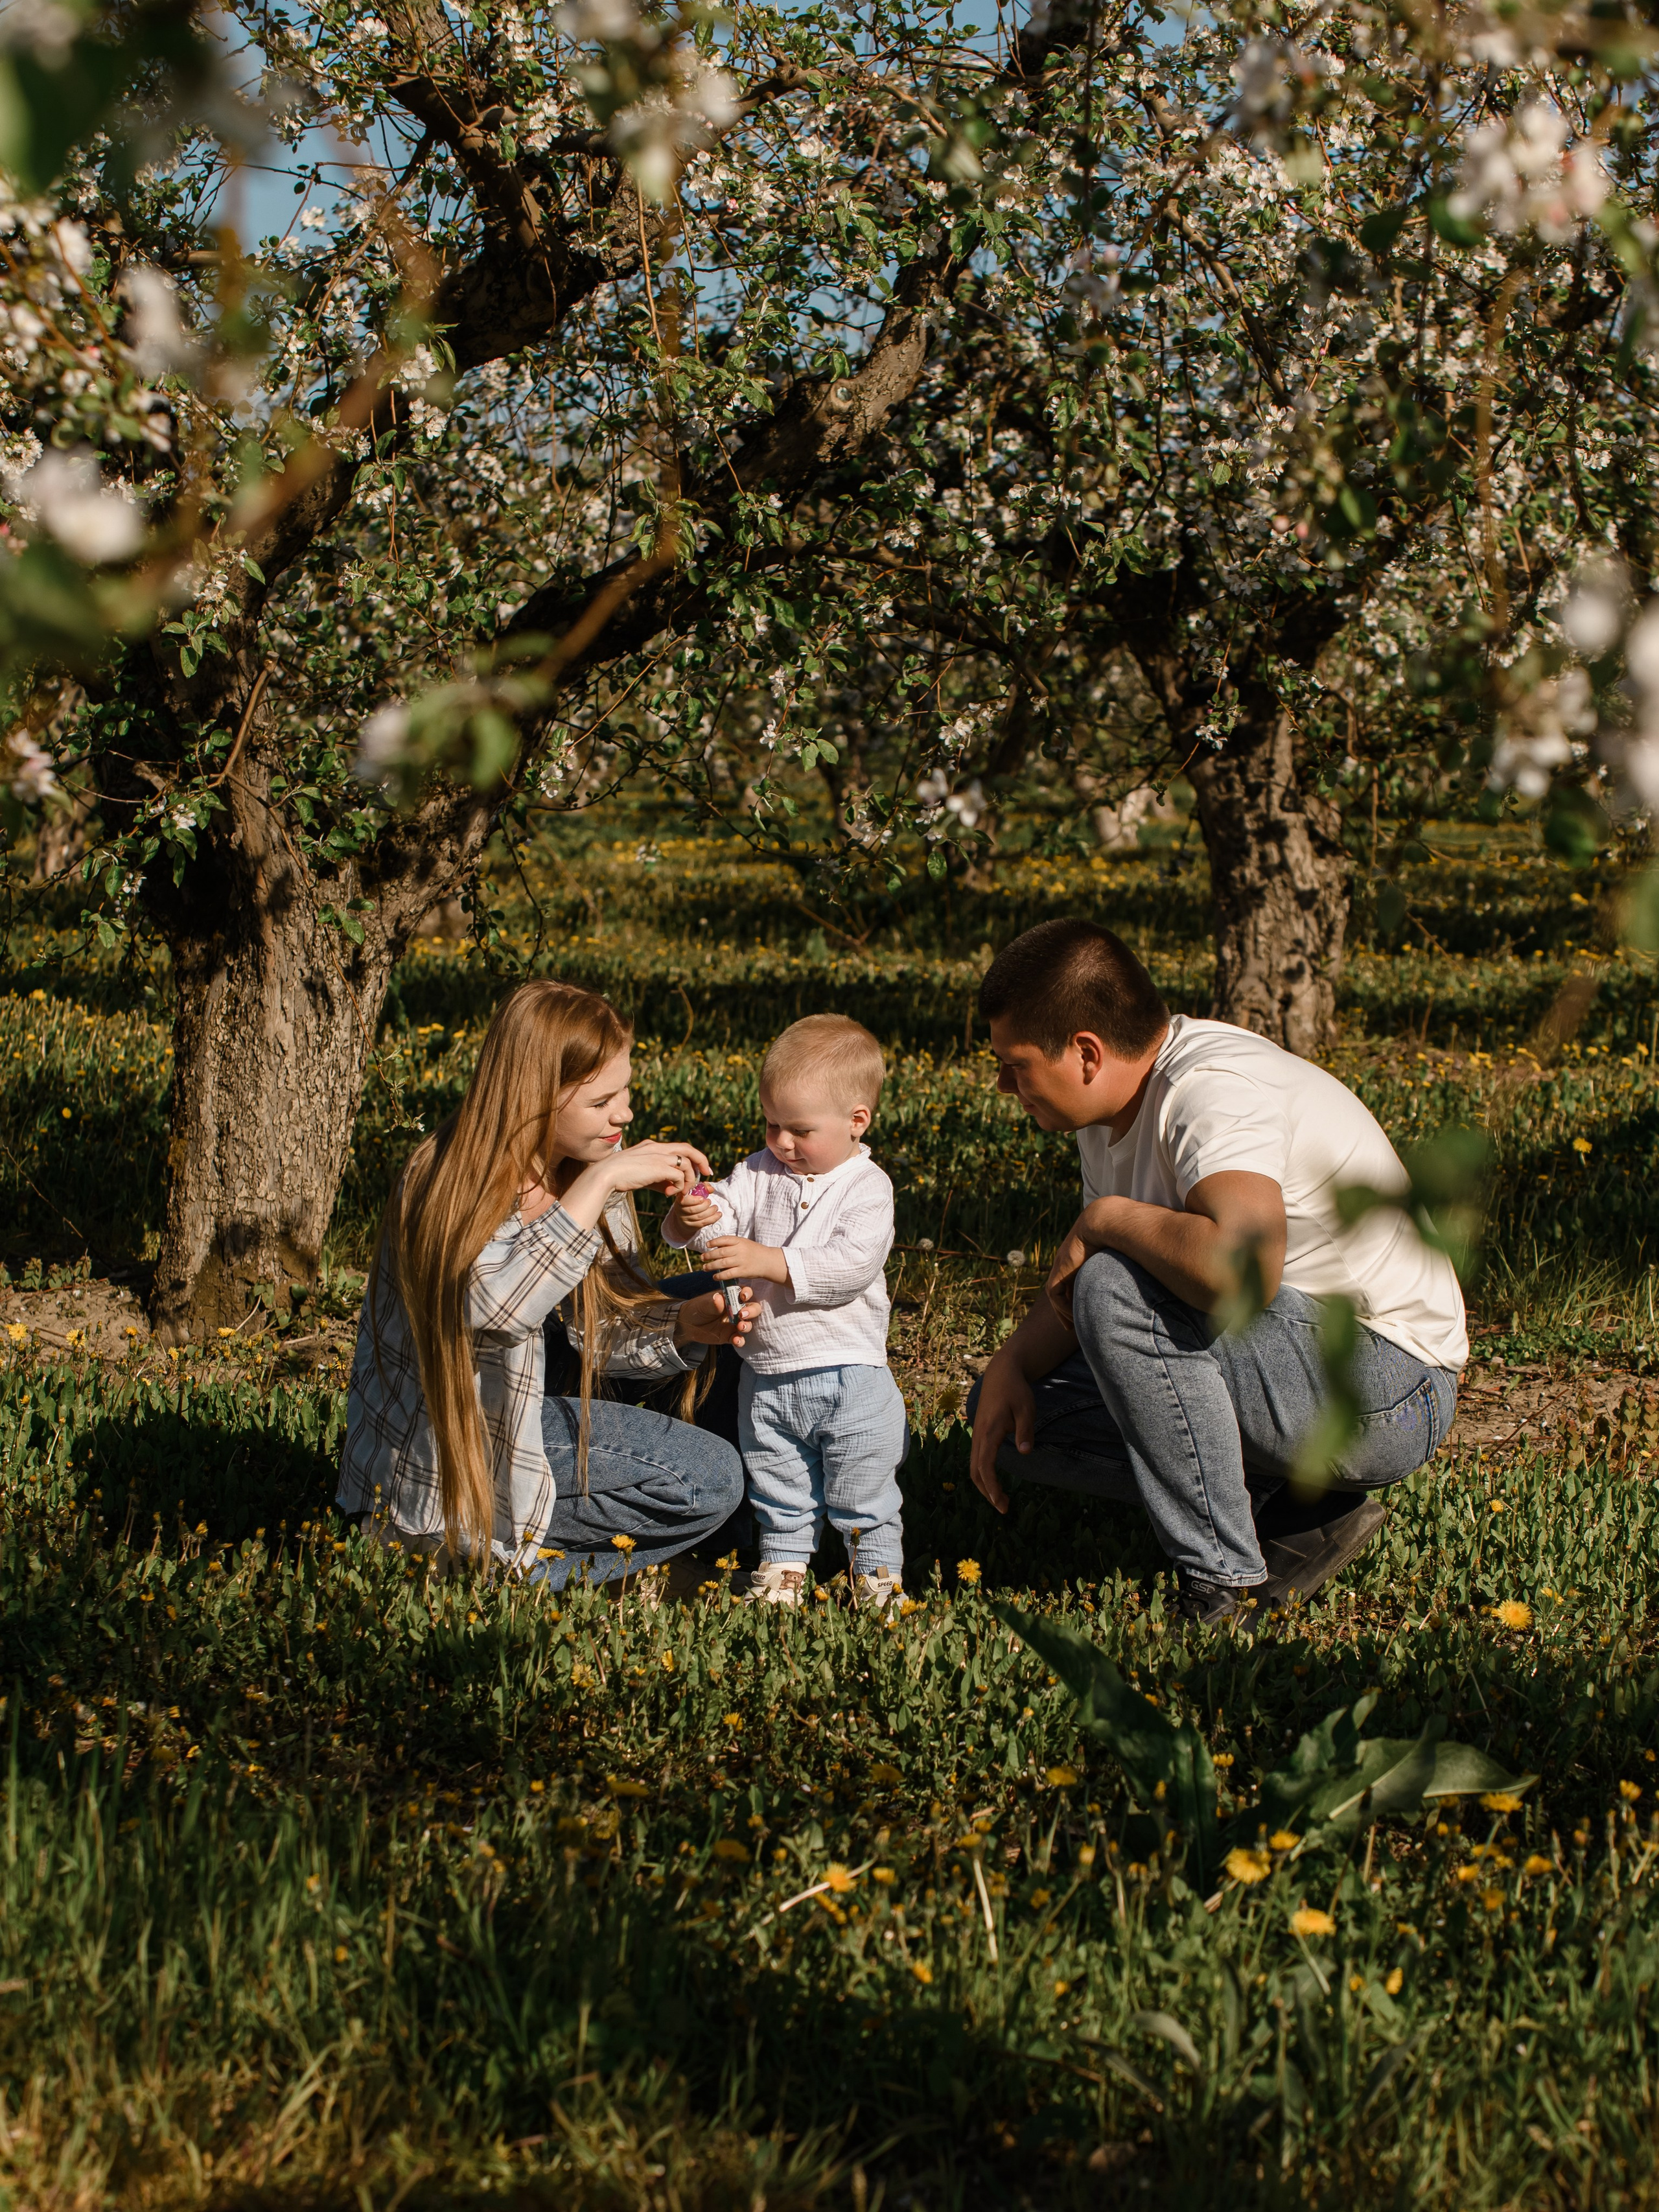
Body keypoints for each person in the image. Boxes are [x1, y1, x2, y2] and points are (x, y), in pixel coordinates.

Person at [968, 919, 1466, 1624]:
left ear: (1085, 1052)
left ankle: (1218, 1586)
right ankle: (1294, 1514)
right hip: (1291, 1366)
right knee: (1012, 1406)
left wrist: (1106, 1218)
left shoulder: (1212, 1091)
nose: (1000, 1083)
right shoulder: (1104, 1112)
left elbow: (1240, 1275)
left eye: (1014, 1063)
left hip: (1390, 1388)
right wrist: (1012, 1365)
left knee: (1115, 1281)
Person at [338, 979, 751, 1586]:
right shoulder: (447, 1179)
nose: (626, 1114)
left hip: (529, 1404)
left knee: (714, 1306)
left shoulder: (586, 1168)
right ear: (534, 1097)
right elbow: (496, 1307)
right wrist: (602, 1181)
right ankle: (493, 1565)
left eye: (626, 1090)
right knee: (710, 1477)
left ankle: (749, 1554)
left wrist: (684, 1326)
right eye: (602, 1101)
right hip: (445, 1461)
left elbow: (603, 1329)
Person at [662, 1014, 906, 1611]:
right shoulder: (758, 1171)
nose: (781, 1142)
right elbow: (720, 1217)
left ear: (857, 1121)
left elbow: (850, 1265)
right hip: (766, 1374)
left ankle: (875, 1579)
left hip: (849, 1373)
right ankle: (784, 1572)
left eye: (799, 1129)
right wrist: (691, 1216)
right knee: (779, 1482)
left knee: (861, 1486)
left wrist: (768, 1260)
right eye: (771, 1124)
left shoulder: (867, 1186)